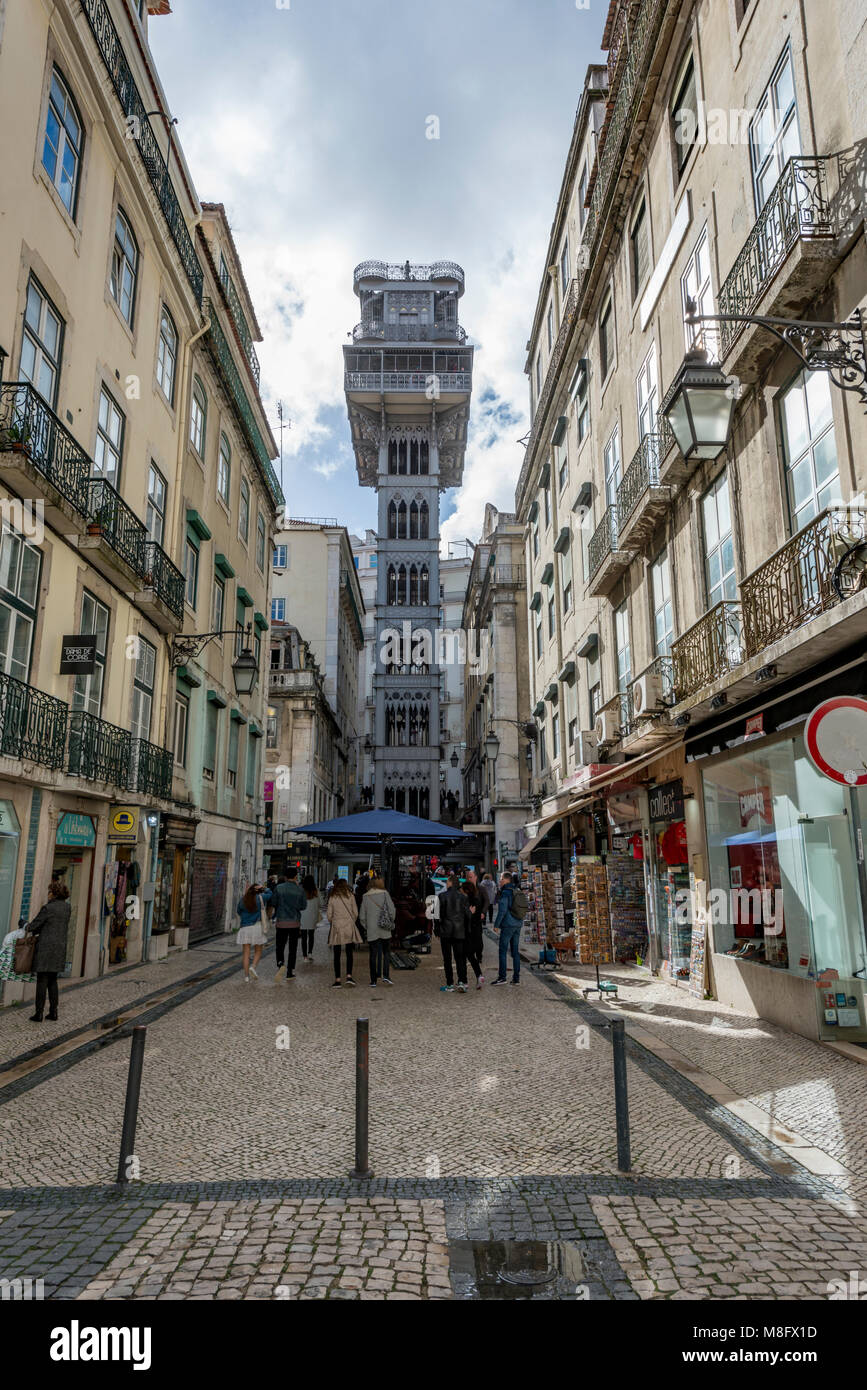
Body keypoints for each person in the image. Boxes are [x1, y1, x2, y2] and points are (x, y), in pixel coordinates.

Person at [27, 880, 72, 1021]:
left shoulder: (48, 908)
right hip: (59, 947)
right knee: (53, 980)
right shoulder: (67, 908)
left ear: (53, 893)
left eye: (49, 891)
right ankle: (53, 1012)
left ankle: (38, 1013)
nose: (48, 894)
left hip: (46, 948)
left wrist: (24, 925)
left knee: (42, 980)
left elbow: (34, 926)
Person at [359, 875, 396, 987]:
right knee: (386, 952)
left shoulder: (365, 896)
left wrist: (367, 926)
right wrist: (390, 921)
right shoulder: (385, 894)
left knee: (373, 954)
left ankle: (373, 980)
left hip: (372, 930)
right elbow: (392, 910)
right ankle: (386, 976)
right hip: (384, 928)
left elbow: (362, 916)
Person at [436, 874, 470, 993]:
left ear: (450, 883)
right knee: (460, 957)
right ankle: (461, 981)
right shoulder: (463, 897)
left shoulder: (441, 896)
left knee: (447, 959)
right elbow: (467, 916)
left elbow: (437, 915)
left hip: (446, 931)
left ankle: (449, 984)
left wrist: (437, 930)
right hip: (459, 931)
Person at [326, 879, 362, 987]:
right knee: (349, 952)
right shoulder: (350, 896)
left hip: (337, 927)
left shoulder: (332, 897)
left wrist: (335, 920)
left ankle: (337, 980)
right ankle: (349, 976)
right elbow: (355, 913)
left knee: (337, 954)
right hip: (348, 926)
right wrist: (350, 920)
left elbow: (328, 915)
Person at [273, 868, 308, 979]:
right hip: (294, 922)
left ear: (285, 877)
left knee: (280, 945)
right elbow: (303, 906)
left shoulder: (278, 888)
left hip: (281, 922)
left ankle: (280, 962)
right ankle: (290, 971)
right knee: (293, 948)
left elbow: (274, 902)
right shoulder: (300, 890)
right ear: (295, 876)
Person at [492, 872, 525, 985]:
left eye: (501, 879)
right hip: (518, 923)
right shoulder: (517, 890)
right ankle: (516, 979)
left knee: (502, 951)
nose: (500, 881)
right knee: (515, 952)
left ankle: (502, 977)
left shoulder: (505, 892)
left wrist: (496, 925)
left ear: (507, 880)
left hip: (508, 925)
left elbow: (502, 911)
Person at [236, 882, 272, 982]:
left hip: (245, 928)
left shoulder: (243, 899)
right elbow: (270, 893)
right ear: (258, 891)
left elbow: (238, 911)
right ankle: (253, 967)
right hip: (256, 927)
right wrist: (264, 888)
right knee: (258, 951)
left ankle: (246, 977)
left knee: (246, 953)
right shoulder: (261, 898)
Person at [461, 878, 485, 989]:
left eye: (462, 889)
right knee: (471, 956)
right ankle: (479, 975)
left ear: (466, 890)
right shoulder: (477, 900)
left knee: (464, 956)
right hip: (476, 931)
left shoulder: (466, 901)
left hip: (467, 932)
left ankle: (464, 981)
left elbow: (466, 918)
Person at [299, 874, 320, 962]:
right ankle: (310, 953)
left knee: (303, 937)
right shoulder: (316, 891)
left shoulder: (301, 891)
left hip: (302, 915)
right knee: (311, 935)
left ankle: (304, 956)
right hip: (313, 915)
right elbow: (321, 903)